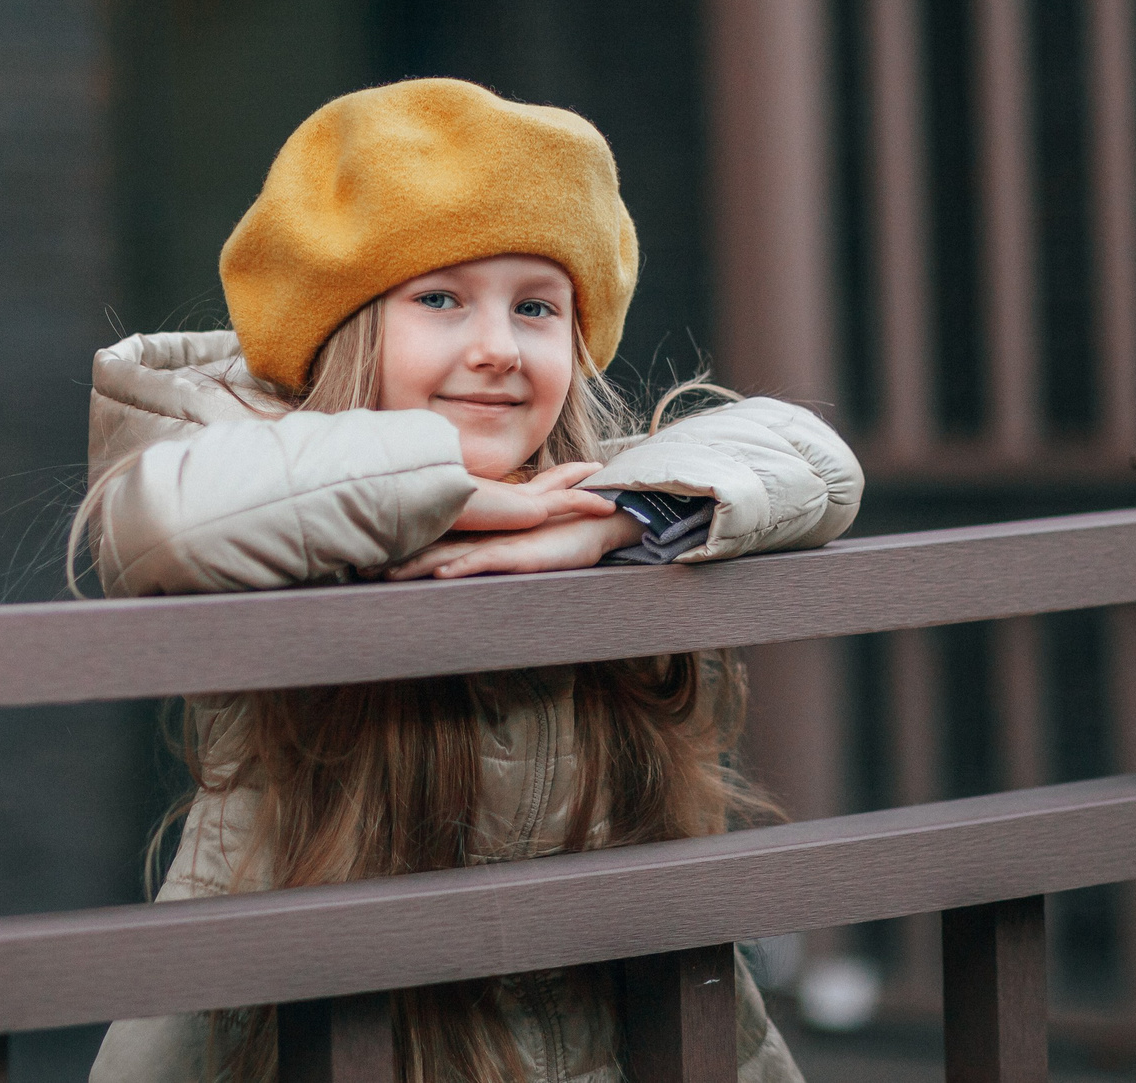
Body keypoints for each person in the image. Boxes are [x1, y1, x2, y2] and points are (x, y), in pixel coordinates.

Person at [74, 79, 862, 1083]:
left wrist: (605, 524)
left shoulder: (584, 492)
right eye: (440, 299)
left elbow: (817, 456)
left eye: (535, 307)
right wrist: (458, 498)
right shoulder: (262, 475)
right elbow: (164, 518)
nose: (494, 346)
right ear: (348, 326)